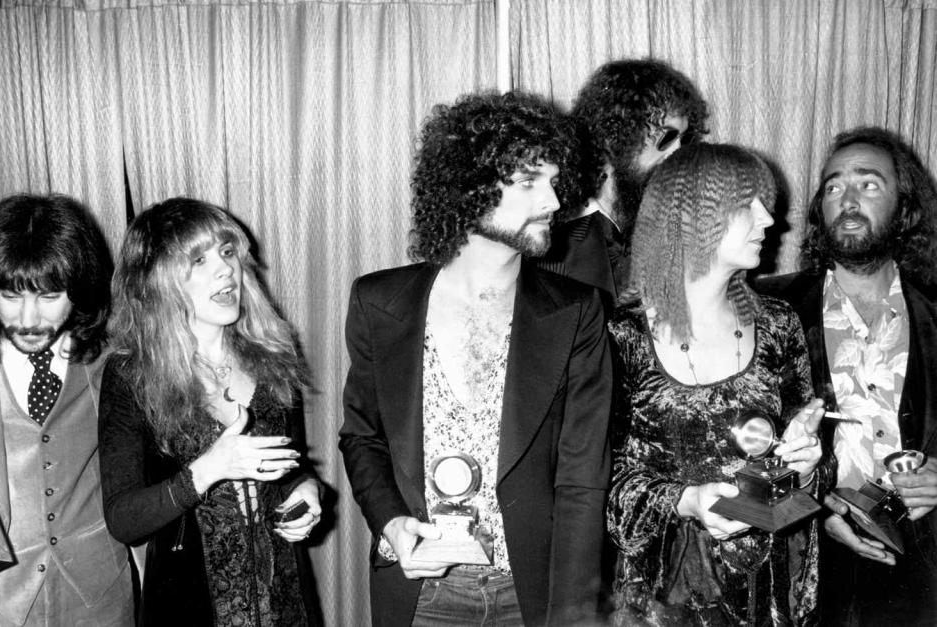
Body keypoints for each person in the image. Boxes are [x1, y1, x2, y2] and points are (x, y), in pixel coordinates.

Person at [339, 91, 611, 626]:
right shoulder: (379, 302)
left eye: (556, 182)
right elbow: (362, 437)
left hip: (531, 596)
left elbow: (583, 478)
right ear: (470, 187)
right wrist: (391, 522)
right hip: (423, 592)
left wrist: (574, 615)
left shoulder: (577, 312)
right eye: (531, 181)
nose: (554, 202)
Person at [608, 143, 827, 625]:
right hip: (663, 597)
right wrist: (686, 499)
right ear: (691, 217)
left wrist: (807, 463)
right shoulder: (618, 339)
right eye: (748, 205)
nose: (769, 220)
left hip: (767, 593)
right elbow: (601, 481)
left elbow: (804, 486)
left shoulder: (778, 324)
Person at [98, 198, 323, 626]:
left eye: (226, 251)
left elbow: (294, 465)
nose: (225, 269)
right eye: (199, 260)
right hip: (188, 608)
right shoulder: (131, 376)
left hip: (285, 602)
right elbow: (124, 520)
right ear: (157, 283)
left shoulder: (272, 356)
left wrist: (307, 490)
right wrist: (209, 469)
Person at [755, 127, 937, 625]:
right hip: (810, 577)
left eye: (868, 184)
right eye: (833, 187)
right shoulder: (767, 310)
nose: (848, 200)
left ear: (905, 207)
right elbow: (736, 447)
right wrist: (815, 516)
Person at [0, 194, 133, 625]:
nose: (28, 318)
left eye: (48, 296)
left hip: (100, 593)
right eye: (10, 295)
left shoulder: (111, 362)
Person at [540, 58, 710, 311]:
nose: (679, 152)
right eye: (666, 136)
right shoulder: (549, 234)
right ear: (614, 136)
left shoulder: (681, 224)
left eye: (683, 139)